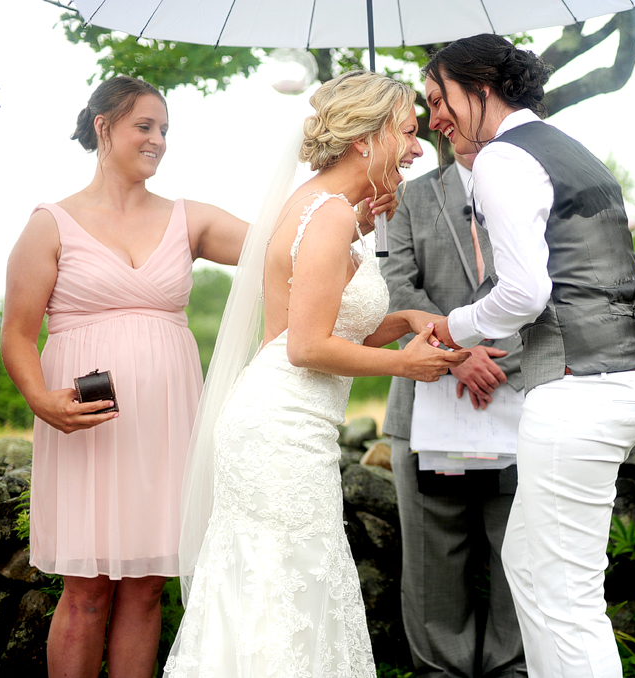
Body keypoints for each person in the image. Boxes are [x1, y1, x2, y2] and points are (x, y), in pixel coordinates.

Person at [163, 70, 469, 678]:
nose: (416, 147)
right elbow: (306, 346)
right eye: (407, 133)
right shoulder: (326, 214)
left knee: (281, 587)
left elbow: (336, 324)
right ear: (367, 138)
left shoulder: (324, 210)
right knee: (285, 585)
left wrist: (404, 315)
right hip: (282, 430)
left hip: (284, 423)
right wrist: (405, 364)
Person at [423, 35, 635, 678]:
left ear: (479, 85)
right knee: (529, 563)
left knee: (566, 594)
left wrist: (454, 326)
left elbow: (524, 294)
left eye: (438, 98)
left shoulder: (505, 158)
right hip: (622, 378)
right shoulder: (569, 150)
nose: (434, 119)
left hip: (580, 386)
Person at [0, 76, 253, 678]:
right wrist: (40, 399)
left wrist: (346, 199)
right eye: (145, 125)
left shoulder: (190, 219)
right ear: (102, 126)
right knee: (86, 591)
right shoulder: (50, 224)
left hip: (166, 426)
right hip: (85, 429)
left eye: (165, 129)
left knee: (145, 588)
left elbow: (282, 243)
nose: (159, 140)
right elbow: (16, 333)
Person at [381, 145, 526, 678]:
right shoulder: (411, 196)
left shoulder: (541, 185)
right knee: (431, 568)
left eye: (447, 100)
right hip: (426, 411)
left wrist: (496, 360)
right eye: (433, 102)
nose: (438, 116)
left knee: (520, 561)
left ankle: (514, 670)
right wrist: (456, 355)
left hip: (523, 402)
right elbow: (395, 287)